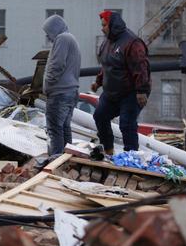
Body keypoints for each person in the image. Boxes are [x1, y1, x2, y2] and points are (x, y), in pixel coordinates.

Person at [91, 10, 151, 154]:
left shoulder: (132, 43)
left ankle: (131, 156)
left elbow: (141, 67)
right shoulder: (107, 43)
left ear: (113, 25)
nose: (102, 28)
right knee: (100, 115)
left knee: (127, 124)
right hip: (111, 93)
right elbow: (106, 66)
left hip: (130, 92)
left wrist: (141, 91)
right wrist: (98, 82)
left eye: (105, 25)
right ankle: (108, 150)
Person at [42, 15, 82, 156]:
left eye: (48, 33)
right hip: (70, 92)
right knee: (64, 128)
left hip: (60, 93)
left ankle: (56, 161)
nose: (48, 37)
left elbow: (56, 65)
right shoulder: (70, 38)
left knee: (55, 129)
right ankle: (67, 160)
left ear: (54, 30)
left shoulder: (62, 39)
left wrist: (48, 84)